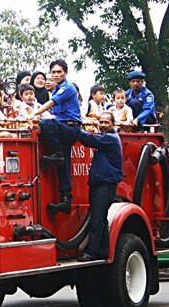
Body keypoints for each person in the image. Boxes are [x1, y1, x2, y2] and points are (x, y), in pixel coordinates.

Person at [33, 59, 81, 216]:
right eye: (53, 72)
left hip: (71, 128)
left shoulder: (68, 87)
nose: (56, 75)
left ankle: (57, 154)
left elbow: (50, 104)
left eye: (59, 72)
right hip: (62, 128)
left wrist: (34, 114)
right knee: (64, 165)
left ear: (65, 73)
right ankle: (66, 199)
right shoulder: (56, 89)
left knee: (46, 124)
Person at [77, 112, 122, 261]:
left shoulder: (110, 138)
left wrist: (76, 129)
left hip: (105, 184)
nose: (102, 125)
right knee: (101, 218)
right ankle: (103, 250)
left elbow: (89, 140)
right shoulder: (107, 137)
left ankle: (92, 253)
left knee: (97, 219)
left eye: (106, 123)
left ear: (113, 124)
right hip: (100, 183)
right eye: (101, 122)